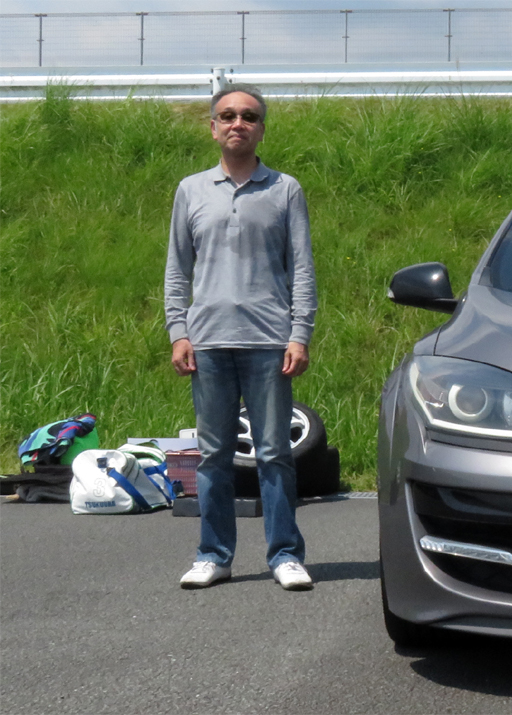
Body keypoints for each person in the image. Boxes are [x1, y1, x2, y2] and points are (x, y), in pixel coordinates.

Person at [165, 84, 316, 591]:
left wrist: (299, 334)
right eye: (227, 115)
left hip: (269, 340)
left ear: (261, 129)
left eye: (249, 116)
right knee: (213, 455)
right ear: (213, 128)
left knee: (274, 453)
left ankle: (285, 555)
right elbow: (177, 270)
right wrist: (178, 331)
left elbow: (302, 269)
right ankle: (214, 555)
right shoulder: (191, 190)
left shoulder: (285, 189)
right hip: (207, 341)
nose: (238, 123)